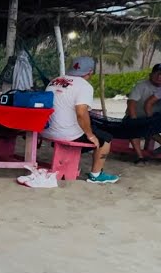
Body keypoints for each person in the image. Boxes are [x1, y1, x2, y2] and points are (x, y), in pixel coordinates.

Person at [41, 55, 119, 184]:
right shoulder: (84, 86)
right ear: (90, 72)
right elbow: (81, 113)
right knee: (106, 139)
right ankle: (96, 175)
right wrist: (90, 135)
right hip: (66, 133)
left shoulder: (54, 81)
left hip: (46, 130)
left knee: (93, 131)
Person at [127, 62, 161, 163]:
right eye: (157, 73)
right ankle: (140, 156)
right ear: (150, 75)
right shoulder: (141, 86)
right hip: (138, 116)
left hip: (155, 118)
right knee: (133, 127)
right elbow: (131, 102)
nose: (159, 77)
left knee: (159, 126)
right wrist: (134, 119)